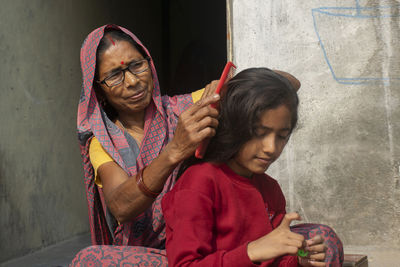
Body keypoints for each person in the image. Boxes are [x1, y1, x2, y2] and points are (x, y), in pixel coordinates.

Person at [161, 68, 344, 267]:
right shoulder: (200, 183)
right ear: (232, 125)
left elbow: (274, 259)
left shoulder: (270, 189)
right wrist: (251, 251)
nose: (271, 148)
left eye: (282, 136)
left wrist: (299, 258)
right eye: (259, 133)